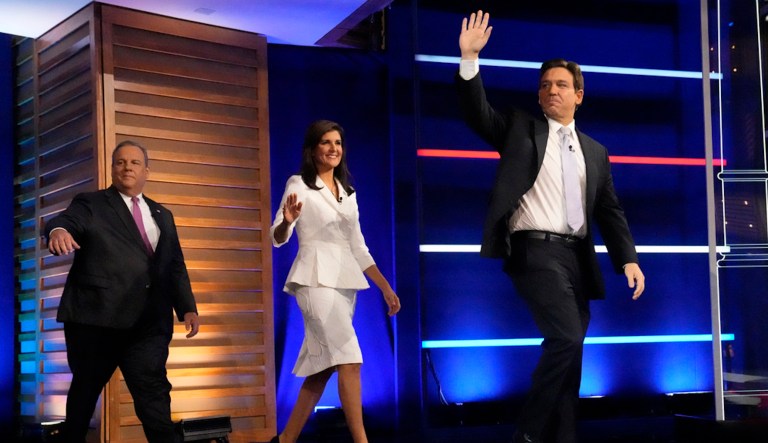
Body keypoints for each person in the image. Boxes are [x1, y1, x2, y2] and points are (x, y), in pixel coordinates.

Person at [457, 11, 646, 443]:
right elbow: (478, 115)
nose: (551, 91)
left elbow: (610, 211)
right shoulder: (521, 128)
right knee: (565, 336)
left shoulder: (596, 152)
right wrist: (470, 60)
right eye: (545, 85)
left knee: (572, 351)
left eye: (561, 85)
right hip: (534, 251)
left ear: (579, 95)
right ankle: (527, 433)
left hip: (577, 256)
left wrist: (629, 260)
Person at [44, 140, 200, 443]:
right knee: (83, 398)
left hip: (147, 325)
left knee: (154, 399)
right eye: (120, 162)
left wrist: (187, 307)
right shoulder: (92, 203)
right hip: (97, 322)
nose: (127, 167)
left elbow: (175, 265)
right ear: (113, 168)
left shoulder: (162, 214)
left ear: (147, 171)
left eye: (134, 162)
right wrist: (58, 231)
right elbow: (66, 221)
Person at [269, 120, 400, 443]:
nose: (333, 149)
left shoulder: (348, 193)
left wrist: (385, 287)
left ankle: (286, 439)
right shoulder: (299, 183)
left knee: (323, 367)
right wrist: (287, 223)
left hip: (344, 283)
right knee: (350, 358)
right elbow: (277, 236)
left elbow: (358, 247)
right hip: (313, 279)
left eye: (338, 143)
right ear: (313, 150)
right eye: (326, 142)